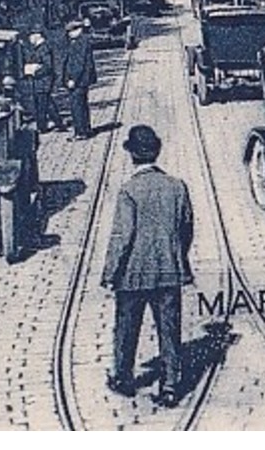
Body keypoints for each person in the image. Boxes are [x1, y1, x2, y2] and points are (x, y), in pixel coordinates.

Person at [102, 125, 194, 408]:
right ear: (156, 152)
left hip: (133, 274)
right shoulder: (177, 186)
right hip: (169, 272)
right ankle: (170, 386)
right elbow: (186, 227)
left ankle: (123, 378)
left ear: (132, 156)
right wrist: (176, 255)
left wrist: (110, 273)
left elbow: (122, 237)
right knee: (169, 328)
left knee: (127, 327)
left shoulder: (128, 190)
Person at [59, 19, 97, 140]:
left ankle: (80, 132)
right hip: (83, 80)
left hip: (78, 80)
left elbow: (78, 64)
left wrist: (73, 79)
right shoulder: (81, 41)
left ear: (79, 30)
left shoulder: (80, 42)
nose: (69, 34)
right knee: (82, 104)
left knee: (77, 106)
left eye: (71, 31)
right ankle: (86, 129)